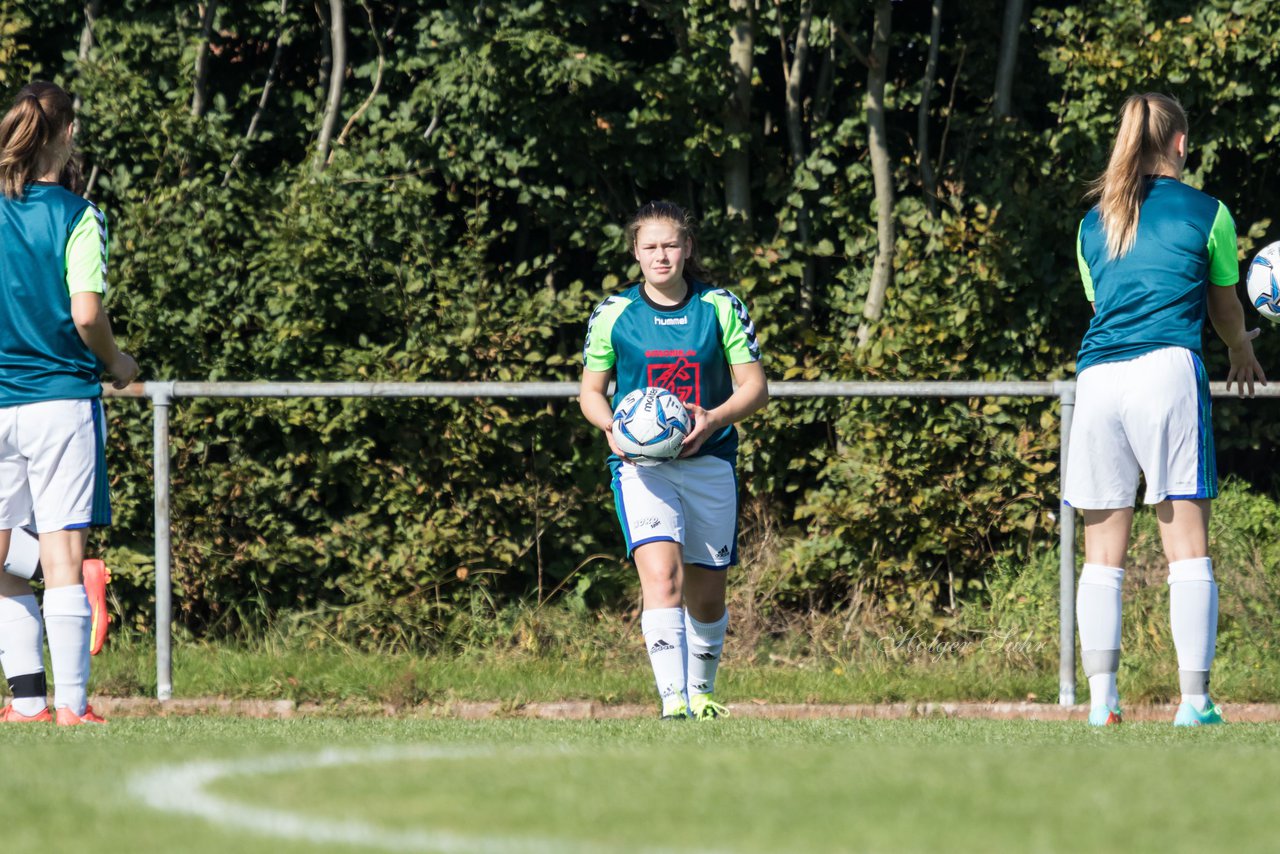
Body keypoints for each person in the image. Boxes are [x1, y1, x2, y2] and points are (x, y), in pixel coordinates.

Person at [1065, 93, 1266, 727]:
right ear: (1181, 143)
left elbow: (1103, 304)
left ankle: (1101, 704)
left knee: (1101, 557)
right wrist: (1241, 349)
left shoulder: (1092, 222)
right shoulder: (1209, 212)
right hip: (1166, 373)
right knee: (1187, 548)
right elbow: (1224, 306)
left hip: (1097, 381)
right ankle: (1195, 703)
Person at [579, 201, 768, 720]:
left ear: (687, 249)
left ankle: (702, 692)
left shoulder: (721, 307)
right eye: (650, 247)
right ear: (635, 253)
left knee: (706, 597)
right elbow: (591, 393)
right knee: (662, 579)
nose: (661, 255)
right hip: (642, 469)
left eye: (670, 245)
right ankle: (673, 704)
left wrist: (712, 417)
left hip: (710, 463)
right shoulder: (614, 312)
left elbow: (755, 389)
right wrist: (611, 428)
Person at [0, 81, 138, 725]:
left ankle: (39, 706)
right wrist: (117, 362)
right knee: (57, 558)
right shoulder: (79, 215)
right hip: (61, 402)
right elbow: (87, 313)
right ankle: (55, 706)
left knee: (5, 556)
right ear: (70, 134)